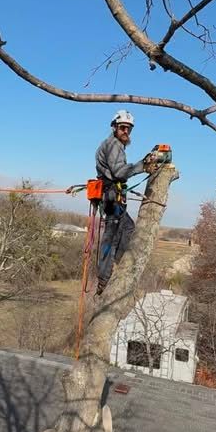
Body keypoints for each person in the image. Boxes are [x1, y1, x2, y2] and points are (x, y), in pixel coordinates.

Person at [95, 110, 154, 294]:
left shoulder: (114, 144)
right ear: (114, 127)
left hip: (114, 194)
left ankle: (118, 263)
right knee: (111, 237)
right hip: (111, 196)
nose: (126, 132)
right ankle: (104, 278)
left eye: (129, 129)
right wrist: (142, 166)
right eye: (122, 128)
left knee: (127, 227)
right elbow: (119, 171)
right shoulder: (114, 145)